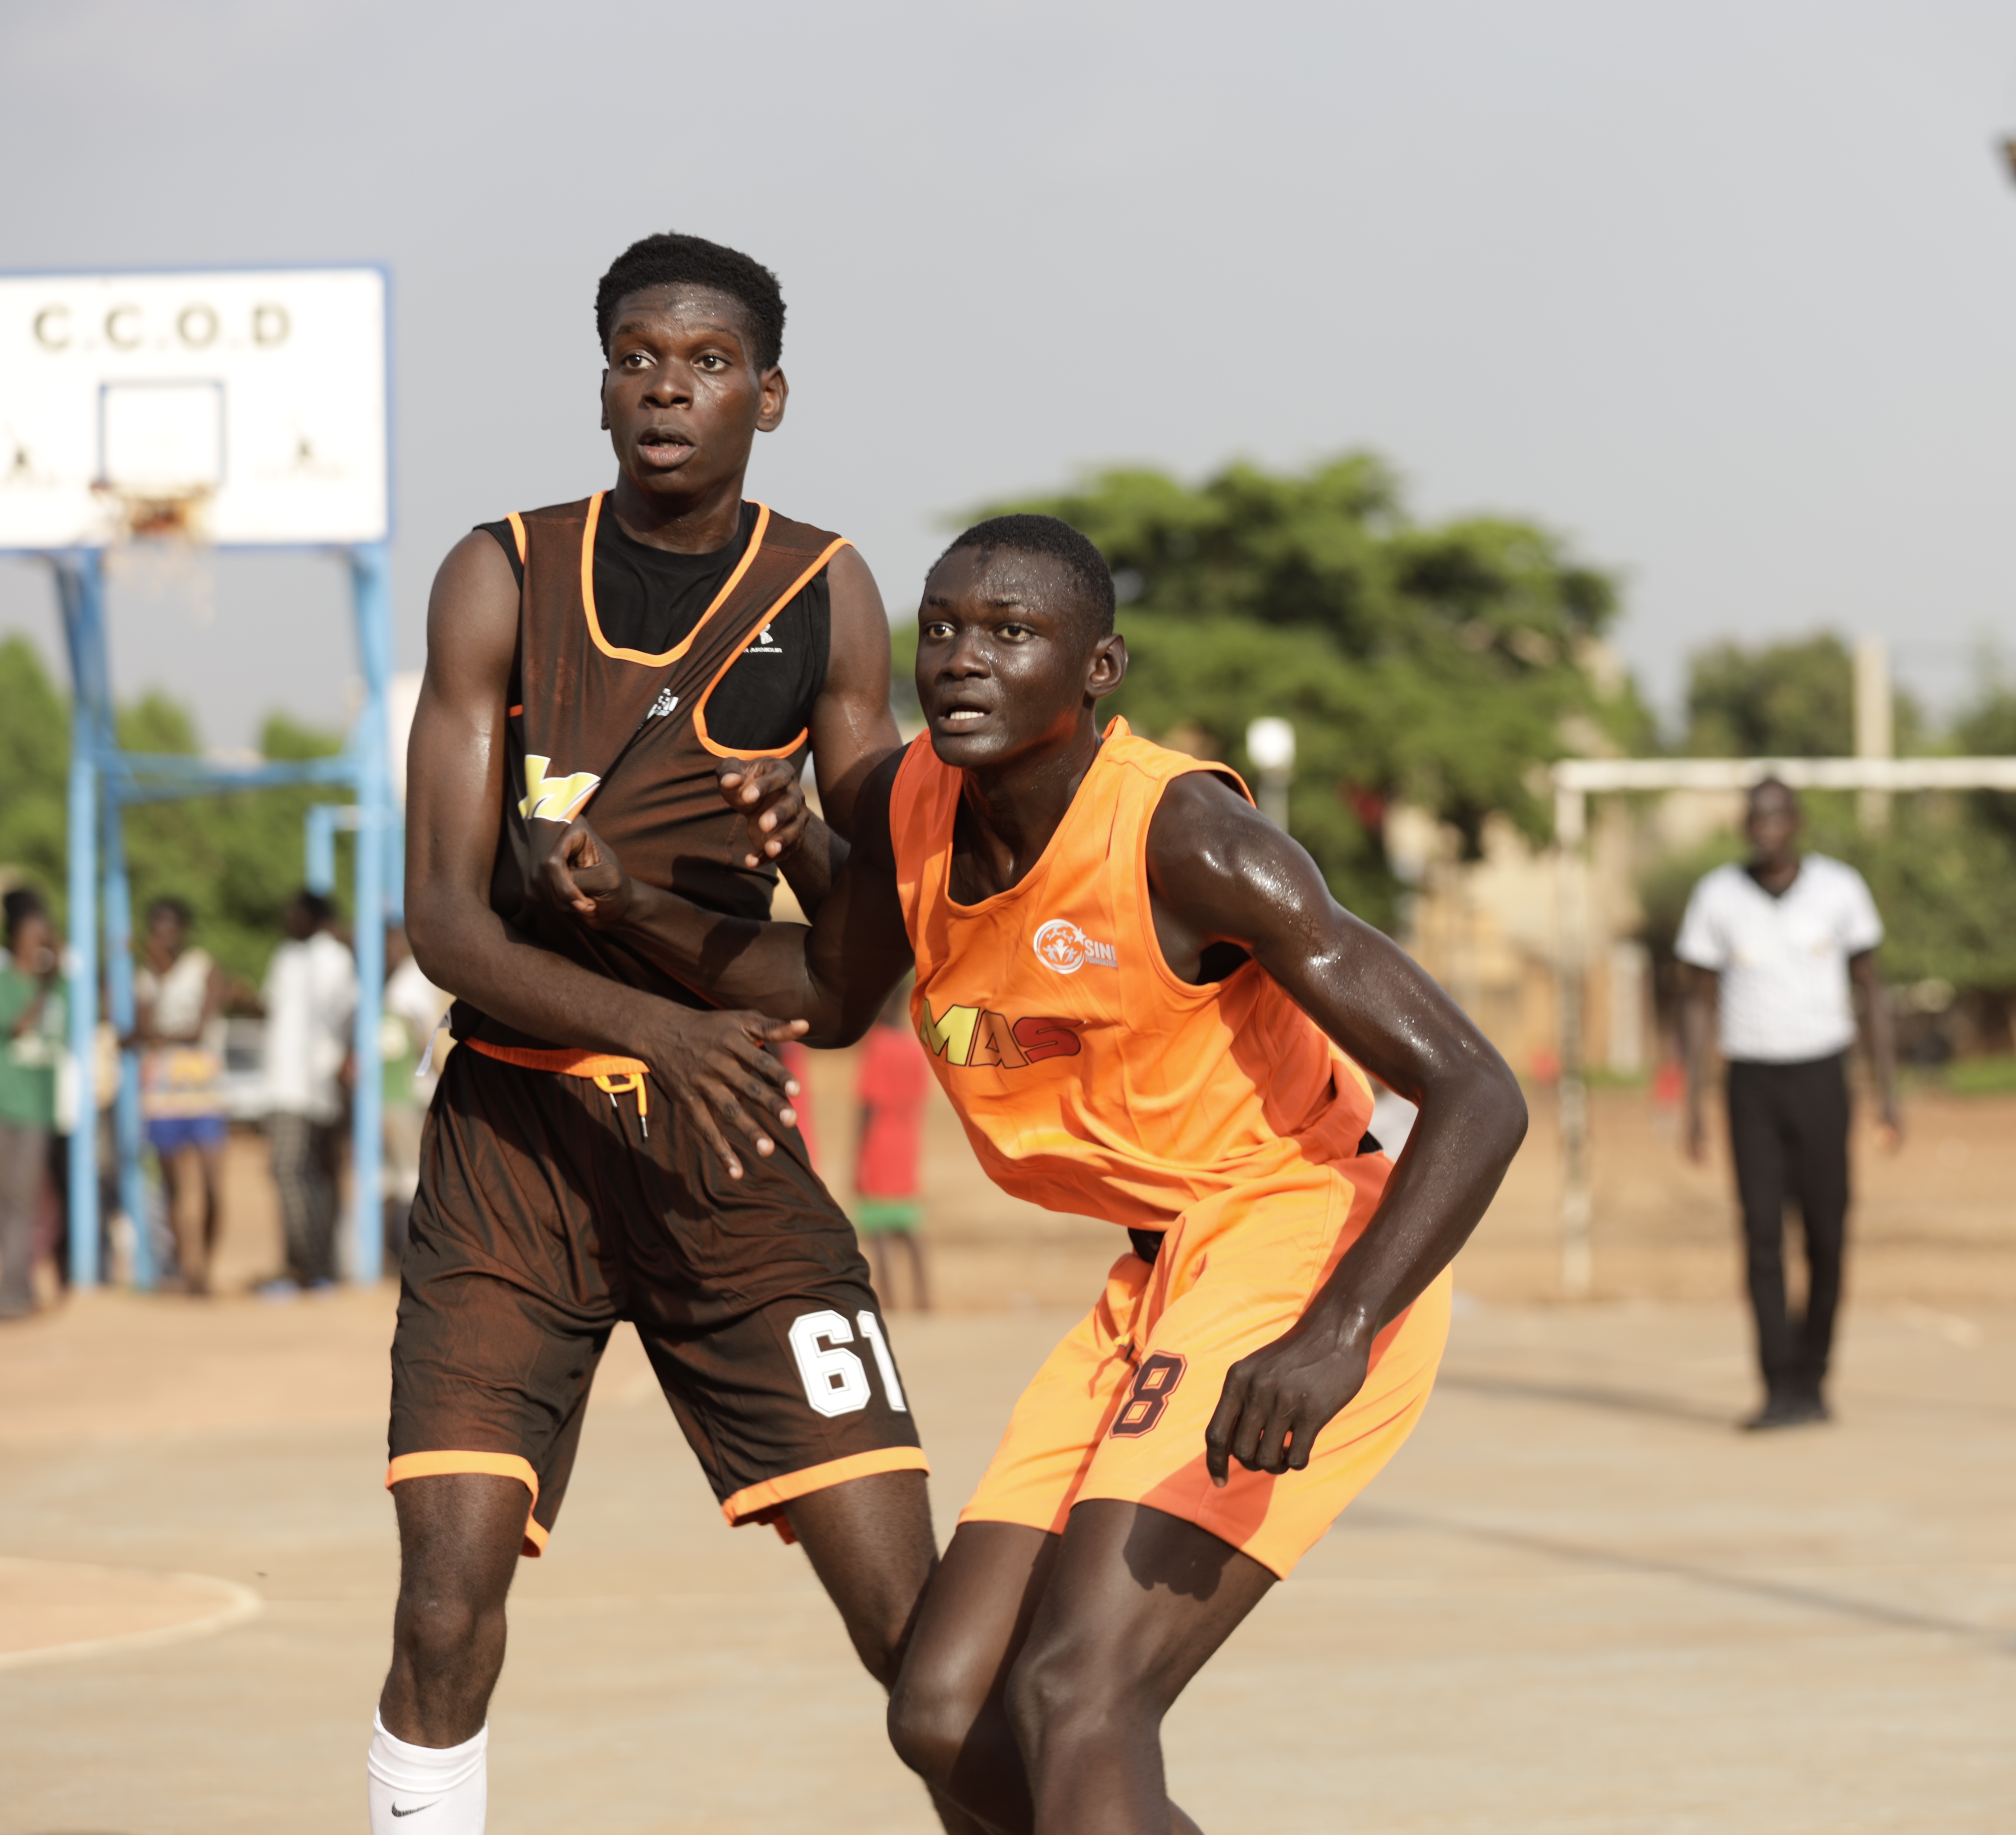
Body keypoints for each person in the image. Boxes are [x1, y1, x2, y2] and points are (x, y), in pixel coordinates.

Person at [537, 511, 1528, 1834]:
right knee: (946, 1714)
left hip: (1301, 1251)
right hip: (1161, 1270)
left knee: (1078, 1694)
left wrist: (1339, 1334)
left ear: (1098, 671)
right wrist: (631, 906)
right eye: (943, 629)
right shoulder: (911, 805)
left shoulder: (1189, 841)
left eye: (1012, 634)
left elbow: (1479, 1088)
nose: (962, 659)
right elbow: (829, 998)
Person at [372, 233, 931, 1835]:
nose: (664, 386)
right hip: (514, 1150)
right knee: (443, 1607)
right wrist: (661, 1025)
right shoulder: (504, 571)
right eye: (635, 357)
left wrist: (814, 842)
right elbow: (450, 924)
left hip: (726, 1164)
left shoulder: (827, 593)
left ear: (769, 393)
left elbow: (853, 971)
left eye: (701, 363)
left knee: (913, 1623)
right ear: (604, 381)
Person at [1672, 778, 1901, 1431]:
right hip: (1752, 1084)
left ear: (1796, 820)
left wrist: (1888, 1092)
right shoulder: (1717, 896)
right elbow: (1698, 1003)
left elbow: (1873, 994)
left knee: (1827, 1234)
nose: (1765, 826)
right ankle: (1776, 1385)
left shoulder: (1840, 890)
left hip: (1824, 1075)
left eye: (1776, 815)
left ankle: (1815, 1378)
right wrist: (1692, 1104)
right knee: (1762, 1235)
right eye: (1755, 816)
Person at [261, 890, 357, 1293]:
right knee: (301, 1176)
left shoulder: (334, 958)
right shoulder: (286, 956)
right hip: (285, 1083)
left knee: (294, 1172)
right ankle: (309, 1266)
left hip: (311, 1086)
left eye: (294, 911)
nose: (288, 918)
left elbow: (348, 1014)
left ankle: (312, 1266)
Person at [132, 897, 230, 1294]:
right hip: (162, 1090)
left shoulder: (204, 967)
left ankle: (205, 1264)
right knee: (172, 1186)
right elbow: (142, 1023)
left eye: (170, 925)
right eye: (157, 925)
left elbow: (197, 1029)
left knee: (211, 1183)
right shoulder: (144, 977)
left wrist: (152, 1036)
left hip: (204, 1085)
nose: (163, 933)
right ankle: (185, 1265)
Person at [0, 898, 65, 1321]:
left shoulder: (62, 986)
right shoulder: (0, 981)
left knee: (24, 1202)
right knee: (4, 1203)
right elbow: (17, 1026)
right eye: (35, 936)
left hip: (37, 1110)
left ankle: (10, 1292)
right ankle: (17, 1287)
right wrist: (44, 988)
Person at [852, 993, 932, 1313]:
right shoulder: (913, 1047)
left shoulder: (878, 1045)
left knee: (880, 1230)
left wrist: (856, 1155)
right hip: (907, 1143)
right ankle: (924, 1301)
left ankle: (892, 1305)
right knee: (910, 1227)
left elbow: (868, 1105)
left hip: (880, 1144)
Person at [376, 924, 448, 1269]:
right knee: (397, 1180)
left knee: (405, 1179)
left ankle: (407, 1257)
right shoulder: (397, 982)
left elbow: (427, 1039)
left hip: (406, 1094)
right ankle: (398, 1257)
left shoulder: (406, 984)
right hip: (396, 1096)